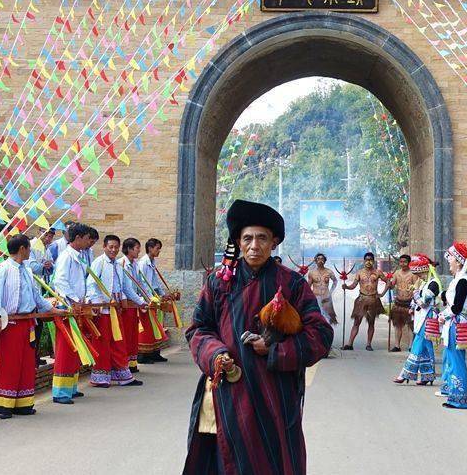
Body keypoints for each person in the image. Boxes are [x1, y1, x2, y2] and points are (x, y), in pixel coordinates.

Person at [183, 200, 333, 474]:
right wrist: (215, 354)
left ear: (274, 243)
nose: (254, 246)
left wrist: (275, 350)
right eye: (247, 238)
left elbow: (321, 335)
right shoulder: (218, 282)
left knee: (273, 460)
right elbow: (198, 329)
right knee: (228, 462)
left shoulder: (292, 283)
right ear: (238, 242)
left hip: (275, 394)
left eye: (262, 238)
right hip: (230, 394)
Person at [0, 235, 55, 419]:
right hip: (10, 323)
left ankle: (23, 403)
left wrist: (53, 309)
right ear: (22, 248)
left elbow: (36, 297)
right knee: (9, 363)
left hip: (28, 322)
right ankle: (2, 405)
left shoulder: (27, 271)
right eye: (29, 247)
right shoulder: (3, 269)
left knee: (26, 363)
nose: (30, 251)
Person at [87, 234, 145, 388]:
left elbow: (126, 288)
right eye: (110, 247)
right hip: (103, 310)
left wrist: (141, 302)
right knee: (102, 343)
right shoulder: (99, 262)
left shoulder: (118, 265)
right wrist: (98, 302)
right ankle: (101, 378)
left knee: (118, 342)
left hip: (116, 309)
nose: (113, 250)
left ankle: (122, 375)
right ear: (104, 247)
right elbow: (91, 284)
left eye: (116, 247)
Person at [51, 222, 93, 404]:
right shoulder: (66, 256)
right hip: (67, 307)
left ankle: (71, 387)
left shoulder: (80, 256)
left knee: (75, 350)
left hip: (77, 307)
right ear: (78, 238)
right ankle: (61, 392)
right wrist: (74, 299)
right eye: (86, 238)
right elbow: (60, 281)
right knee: (66, 350)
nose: (88, 242)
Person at [439, 242, 467, 410]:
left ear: (459, 261)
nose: (449, 260)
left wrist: (443, 315)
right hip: (454, 324)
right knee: (454, 361)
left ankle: (459, 399)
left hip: (456, 325)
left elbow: (457, 307)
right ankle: (455, 396)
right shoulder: (459, 280)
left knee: (457, 362)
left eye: (451, 258)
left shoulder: (462, 281)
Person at [394, 254, 441, 386]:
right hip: (421, 317)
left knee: (417, 344)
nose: (419, 277)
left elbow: (423, 302)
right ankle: (427, 375)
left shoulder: (433, 284)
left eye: (420, 274)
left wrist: (414, 293)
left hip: (427, 318)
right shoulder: (425, 283)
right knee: (426, 347)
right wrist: (412, 305)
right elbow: (418, 301)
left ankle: (405, 373)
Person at [341, 251, 387, 351]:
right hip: (361, 300)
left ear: (373, 261)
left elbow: (388, 282)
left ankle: (369, 344)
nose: (368, 262)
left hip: (373, 300)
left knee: (371, 323)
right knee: (356, 322)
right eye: (366, 260)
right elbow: (353, 285)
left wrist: (383, 293)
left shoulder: (378, 272)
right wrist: (347, 287)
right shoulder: (359, 272)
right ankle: (349, 344)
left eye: (370, 260)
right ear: (364, 261)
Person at [136, 237, 172, 364]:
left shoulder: (152, 262)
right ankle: (143, 355)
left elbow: (155, 282)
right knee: (146, 328)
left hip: (153, 298)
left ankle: (154, 352)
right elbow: (142, 283)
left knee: (156, 326)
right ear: (150, 248)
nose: (159, 251)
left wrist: (162, 295)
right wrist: (149, 297)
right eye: (157, 248)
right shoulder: (143, 263)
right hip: (146, 299)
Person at [119, 237, 147, 375]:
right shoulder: (122, 263)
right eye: (137, 248)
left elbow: (140, 284)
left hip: (134, 303)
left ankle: (132, 363)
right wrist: (141, 301)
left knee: (133, 335)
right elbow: (127, 288)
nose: (138, 251)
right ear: (129, 249)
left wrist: (147, 298)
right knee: (126, 334)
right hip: (126, 304)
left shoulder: (135, 264)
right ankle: (124, 363)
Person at [387, 253, 419, 352]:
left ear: (409, 263)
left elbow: (416, 288)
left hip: (409, 303)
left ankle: (410, 346)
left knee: (410, 326)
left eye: (405, 262)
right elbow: (391, 286)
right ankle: (397, 345)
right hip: (398, 303)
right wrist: (388, 281)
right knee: (397, 325)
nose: (402, 264)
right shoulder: (396, 273)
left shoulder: (413, 274)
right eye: (401, 262)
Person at [306, 253, 339, 325]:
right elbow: (308, 286)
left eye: (322, 259)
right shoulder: (311, 273)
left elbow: (335, 281)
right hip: (316, 297)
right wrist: (310, 296)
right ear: (315, 261)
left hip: (326, 297)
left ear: (324, 261)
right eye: (318, 259)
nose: (320, 260)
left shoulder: (329, 272)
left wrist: (331, 292)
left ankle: (328, 330)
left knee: (328, 318)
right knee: (317, 318)